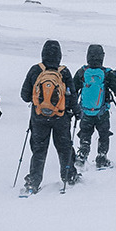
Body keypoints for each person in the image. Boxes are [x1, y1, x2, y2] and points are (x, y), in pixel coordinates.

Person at [19, 40, 79, 194]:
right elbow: (72, 96)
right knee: (64, 148)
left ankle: (33, 181)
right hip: (61, 118)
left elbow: (25, 96)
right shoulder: (64, 72)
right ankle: (69, 176)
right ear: (59, 55)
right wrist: (76, 111)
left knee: (39, 150)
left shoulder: (35, 70)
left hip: (39, 118)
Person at [72, 43, 116, 167]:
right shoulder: (107, 74)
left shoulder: (81, 72)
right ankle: (101, 157)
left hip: (85, 111)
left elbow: (72, 90)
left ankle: (83, 153)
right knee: (104, 134)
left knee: (85, 132)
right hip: (102, 112)